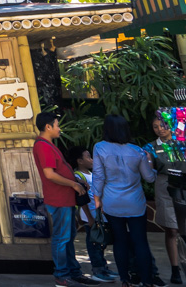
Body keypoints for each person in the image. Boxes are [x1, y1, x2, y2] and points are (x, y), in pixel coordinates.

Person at [33, 112, 99, 287]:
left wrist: (75, 181)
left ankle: (73, 272)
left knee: (68, 237)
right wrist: (74, 184)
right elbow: (49, 174)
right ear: (48, 127)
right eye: (57, 124)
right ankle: (62, 275)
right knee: (62, 238)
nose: (59, 128)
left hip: (64, 198)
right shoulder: (43, 146)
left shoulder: (48, 144)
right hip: (59, 198)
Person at [92, 114, 157, 287]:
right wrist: (151, 163)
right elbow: (149, 178)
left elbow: (98, 176)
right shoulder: (137, 151)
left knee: (120, 240)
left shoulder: (100, 148)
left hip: (112, 201)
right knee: (140, 241)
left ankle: (125, 280)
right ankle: (147, 281)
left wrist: (97, 199)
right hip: (135, 201)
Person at [69, 145, 119, 283]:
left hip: (98, 215)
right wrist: (89, 217)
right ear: (80, 161)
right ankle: (98, 270)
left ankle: (103, 267)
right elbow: (82, 200)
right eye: (88, 157)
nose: (92, 159)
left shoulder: (92, 174)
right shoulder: (78, 176)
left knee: (101, 242)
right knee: (94, 243)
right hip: (89, 216)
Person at [146, 115, 186, 283]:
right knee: (172, 230)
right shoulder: (151, 147)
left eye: (162, 125)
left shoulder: (182, 142)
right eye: (156, 127)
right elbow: (148, 170)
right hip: (165, 185)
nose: (160, 129)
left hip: (184, 183)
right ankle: (175, 269)